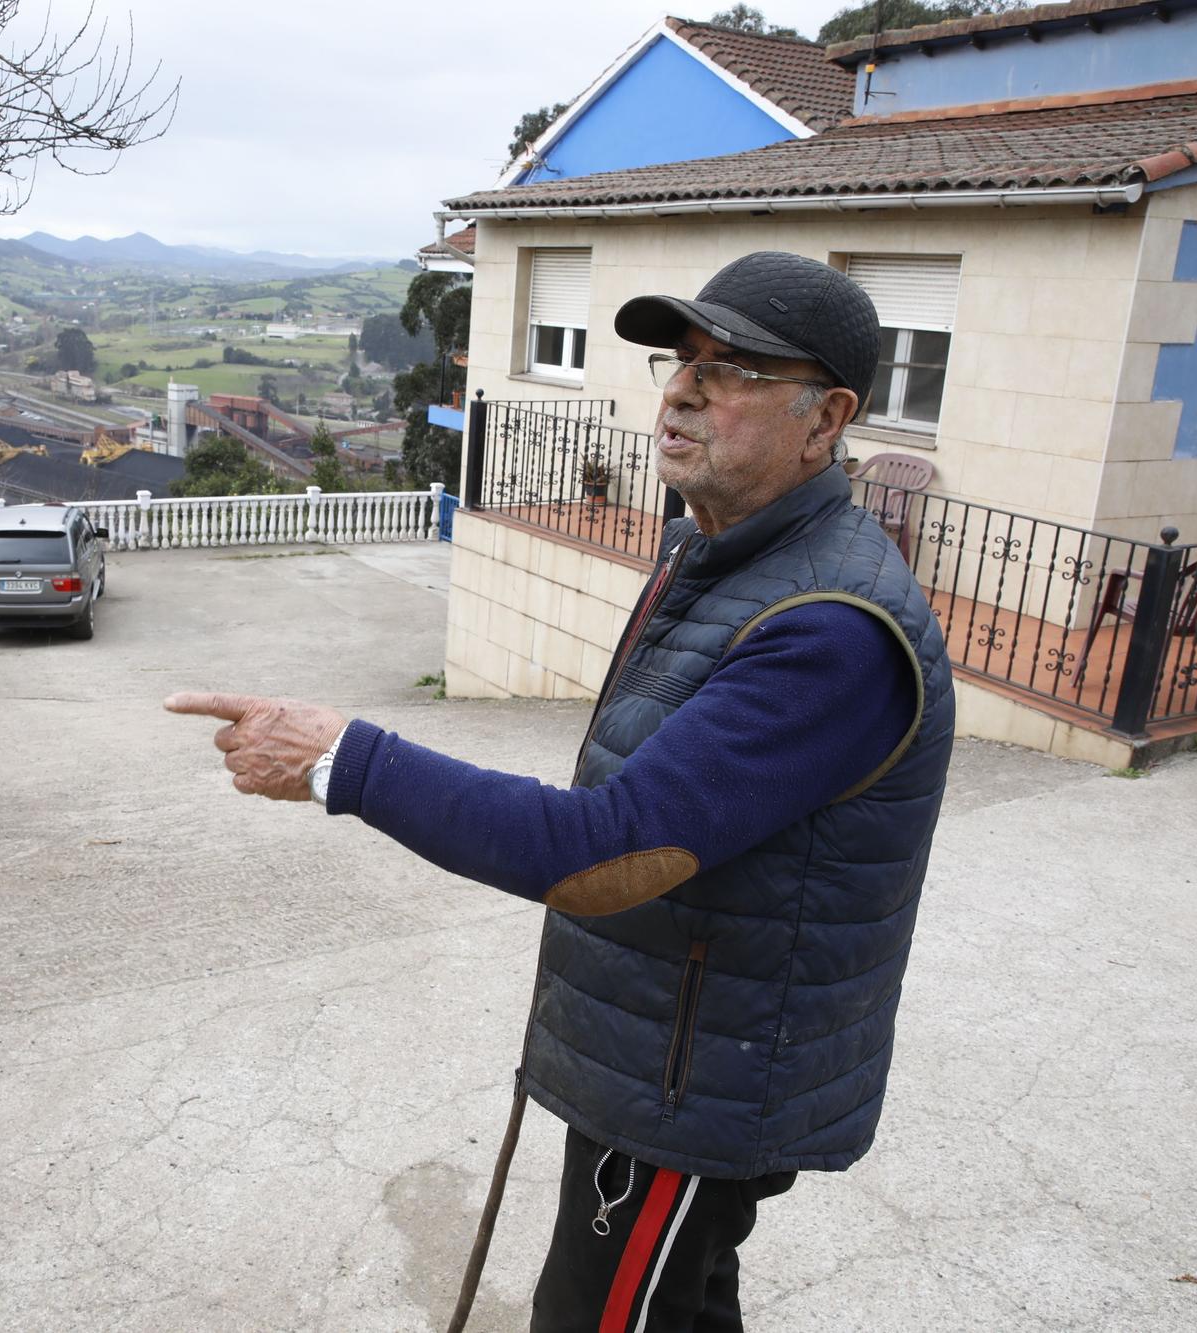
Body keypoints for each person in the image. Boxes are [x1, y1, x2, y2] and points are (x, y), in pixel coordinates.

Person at [165, 251, 954, 1332]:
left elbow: (604, 852)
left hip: (695, 1089)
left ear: (824, 420)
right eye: (680, 361)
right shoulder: (714, 553)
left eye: (728, 371)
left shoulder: (828, 631)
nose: (678, 390)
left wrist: (340, 758)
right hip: (662, 1048)